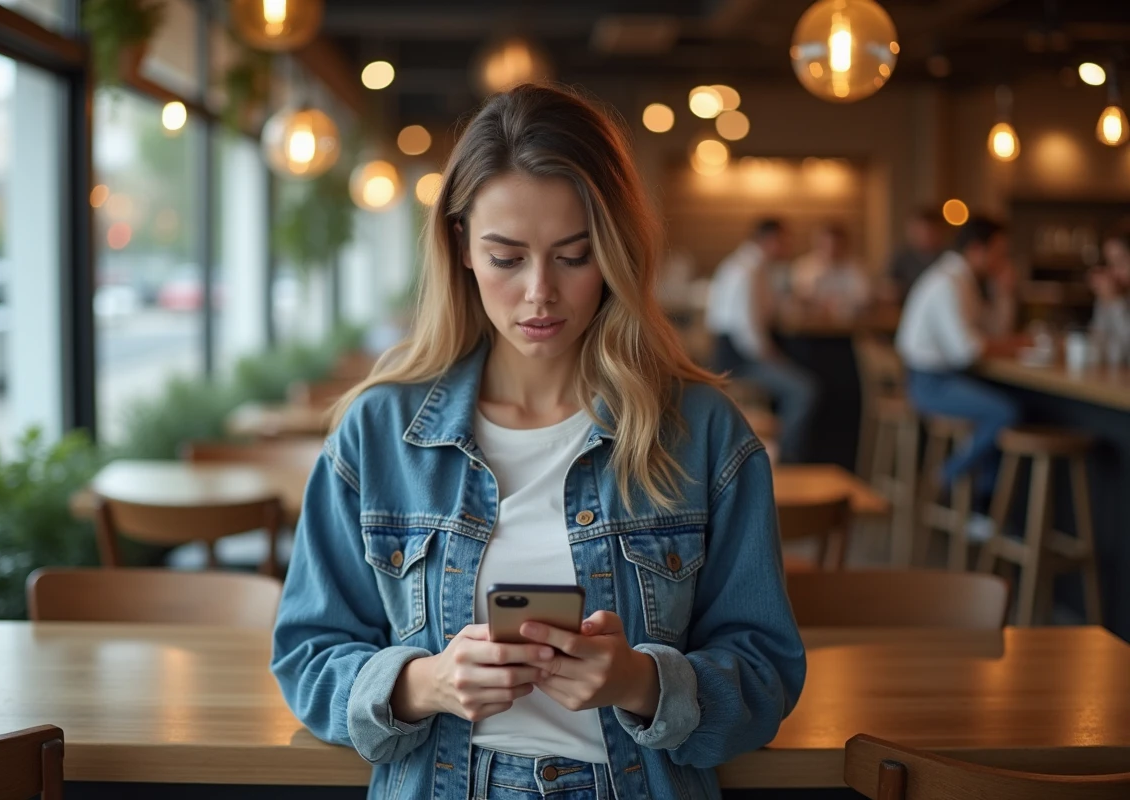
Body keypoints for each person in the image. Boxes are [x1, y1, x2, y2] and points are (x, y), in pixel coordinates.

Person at [271, 84, 805, 800]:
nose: (539, 293)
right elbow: (307, 656)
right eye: (507, 258)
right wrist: (423, 684)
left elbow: (767, 673)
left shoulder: (703, 432)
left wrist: (641, 682)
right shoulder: (377, 432)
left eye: (574, 256)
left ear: (614, 252)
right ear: (460, 246)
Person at [896, 216, 1025, 530]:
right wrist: (1018, 345)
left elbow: (993, 330)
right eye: (999, 253)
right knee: (1003, 412)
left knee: (998, 409)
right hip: (928, 383)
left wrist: (1005, 293)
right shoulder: (948, 282)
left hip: (946, 378)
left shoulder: (964, 280)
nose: (1002, 261)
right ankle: (948, 477)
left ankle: (980, 510)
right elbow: (968, 350)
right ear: (977, 249)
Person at [705, 219, 819, 462]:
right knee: (803, 390)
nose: (788, 248)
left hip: (739, 354)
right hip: (738, 362)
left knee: (799, 379)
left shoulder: (752, 267)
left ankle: (779, 454)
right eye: (785, 242)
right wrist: (773, 357)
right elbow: (747, 332)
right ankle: (786, 460)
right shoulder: (746, 271)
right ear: (770, 240)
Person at [790, 223, 872, 321]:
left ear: (845, 245)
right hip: (810, 325)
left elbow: (864, 298)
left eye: (837, 245)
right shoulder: (804, 266)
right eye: (827, 244)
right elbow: (801, 296)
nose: (832, 250)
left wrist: (838, 306)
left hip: (849, 325)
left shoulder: (857, 268)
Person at [1088, 228, 1130, 362]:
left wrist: (1115, 302)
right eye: (1110, 263)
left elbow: (1125, 353)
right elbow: (1097, 344)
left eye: (1120, 260)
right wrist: (1105, 301)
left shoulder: (1115, 298)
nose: (1114, 271)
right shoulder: (1115, 291)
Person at [887, 207, 946, 300]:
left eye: (928, 231)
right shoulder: (902, 258)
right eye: (919, 231)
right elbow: (889, 286)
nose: (924, 235)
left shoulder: (947, 258)